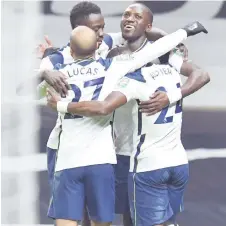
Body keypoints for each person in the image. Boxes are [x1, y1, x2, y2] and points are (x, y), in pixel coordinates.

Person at [46, 18, 209, 226]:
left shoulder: (61, 74)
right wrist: (183, 32)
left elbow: (29, 90)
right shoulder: (127, 69)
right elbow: (154, 52)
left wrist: (46, 66)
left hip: (78, 160)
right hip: (113, 161)